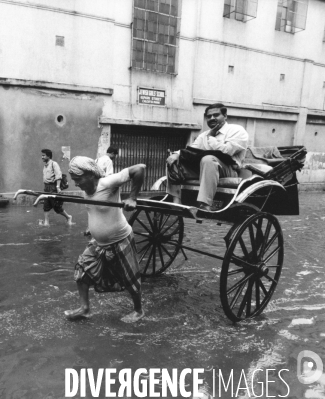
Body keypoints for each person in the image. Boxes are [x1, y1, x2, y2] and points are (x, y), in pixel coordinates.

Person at [65, 156, 146, 323]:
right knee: (82, 271)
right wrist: (92, 228)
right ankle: (85, 309)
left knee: (130, 278)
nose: (76, 184)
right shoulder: (86, 191)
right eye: (74, 180)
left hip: (120, 239)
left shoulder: (108, 183)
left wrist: (132, 197)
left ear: (90, 174)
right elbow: (94, 210)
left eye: (78, 179)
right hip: (98, 243)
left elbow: (140, 168)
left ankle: (138, 310)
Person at [166, 103, 248, 211]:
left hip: (229, 169)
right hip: (205, 168)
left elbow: (228, 151)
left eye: (216, 115)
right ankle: (176, 201)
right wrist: (176, 154)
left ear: (225, 116)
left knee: (208, 159)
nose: (212, 118)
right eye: (209, 116)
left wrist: (212, 137)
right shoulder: (203, 135)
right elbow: (191, 149)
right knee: (173, 160)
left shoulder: (237, 130)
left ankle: (205, 204)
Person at [41, 149, 73, 226]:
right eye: (42, 155)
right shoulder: (45, 165)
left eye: (43, 155)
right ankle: (46, 222)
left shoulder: (54, 164)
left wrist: (58, 187)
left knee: (56, 206)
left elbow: (58, 176)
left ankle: (68, 217)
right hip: (46, 188)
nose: (42, 157)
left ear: (48, 156)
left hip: (53, 187)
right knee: (46, 205)